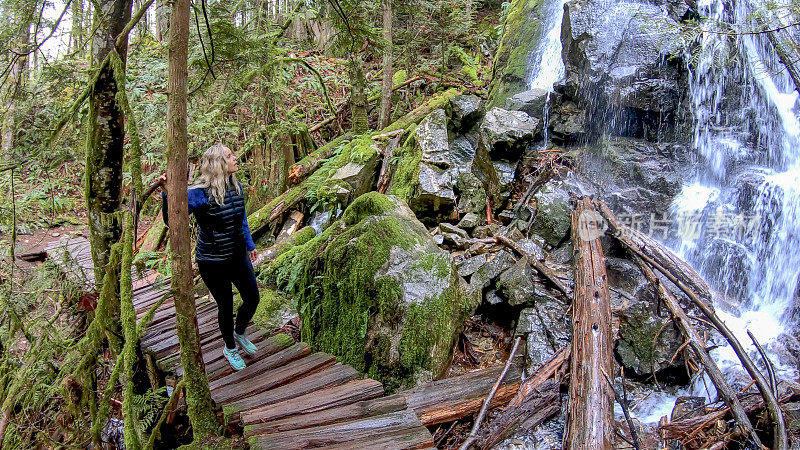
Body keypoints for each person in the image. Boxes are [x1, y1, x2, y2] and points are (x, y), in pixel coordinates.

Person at [161, 143, 260, 371]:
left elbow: (241, 220)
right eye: (229, 156)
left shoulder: (237, 186)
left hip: (237, 256)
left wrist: (250, 244)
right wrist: (167, 194)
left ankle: (240, 331)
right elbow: (172, 219)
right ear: (218, 164)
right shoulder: (198, 194)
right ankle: (230, 348)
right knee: (225, 305)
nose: (235, 158)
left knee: (252, 297)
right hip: (212, 262)